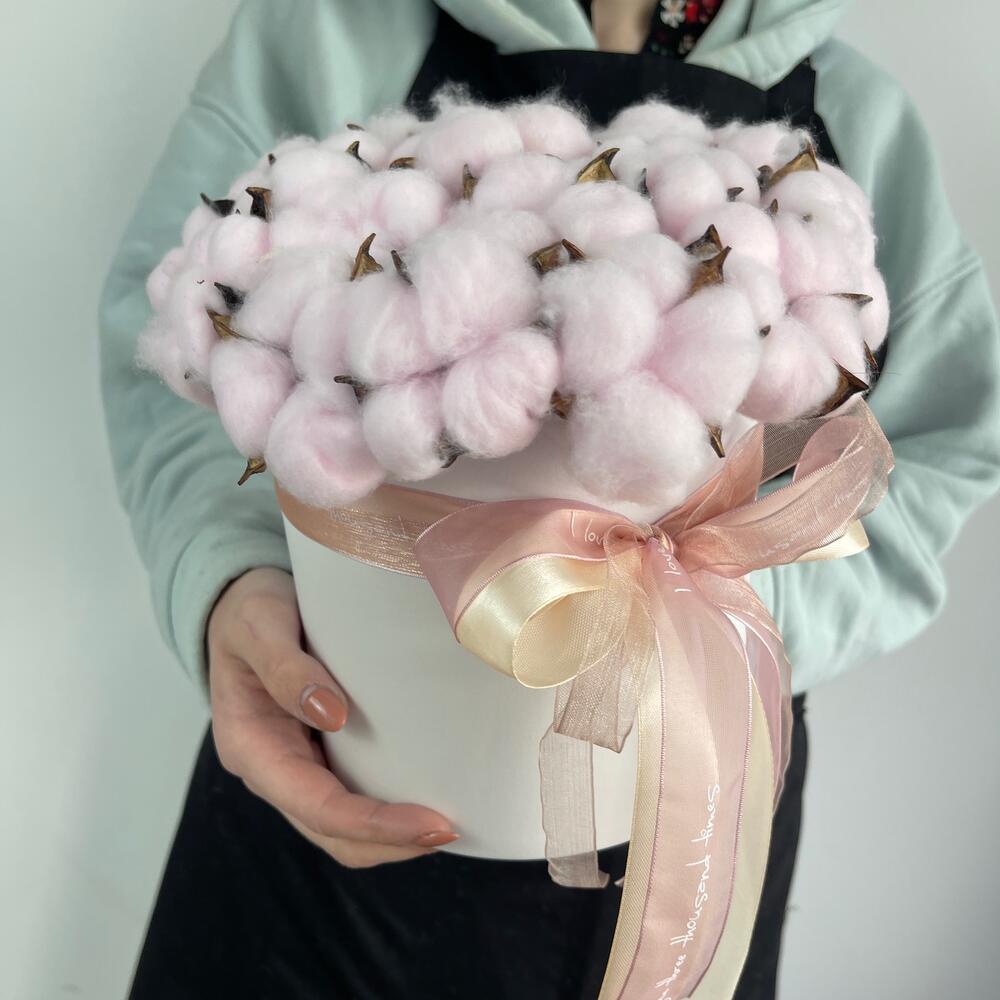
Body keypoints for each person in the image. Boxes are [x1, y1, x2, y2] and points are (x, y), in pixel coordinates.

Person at [99, 1, 1000, 997]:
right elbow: (178, 339)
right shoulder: (327, 28)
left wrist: (725, 619)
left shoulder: (858, 118)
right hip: (316, 791)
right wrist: (228, 579)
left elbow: (940, 445)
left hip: (689, 824)